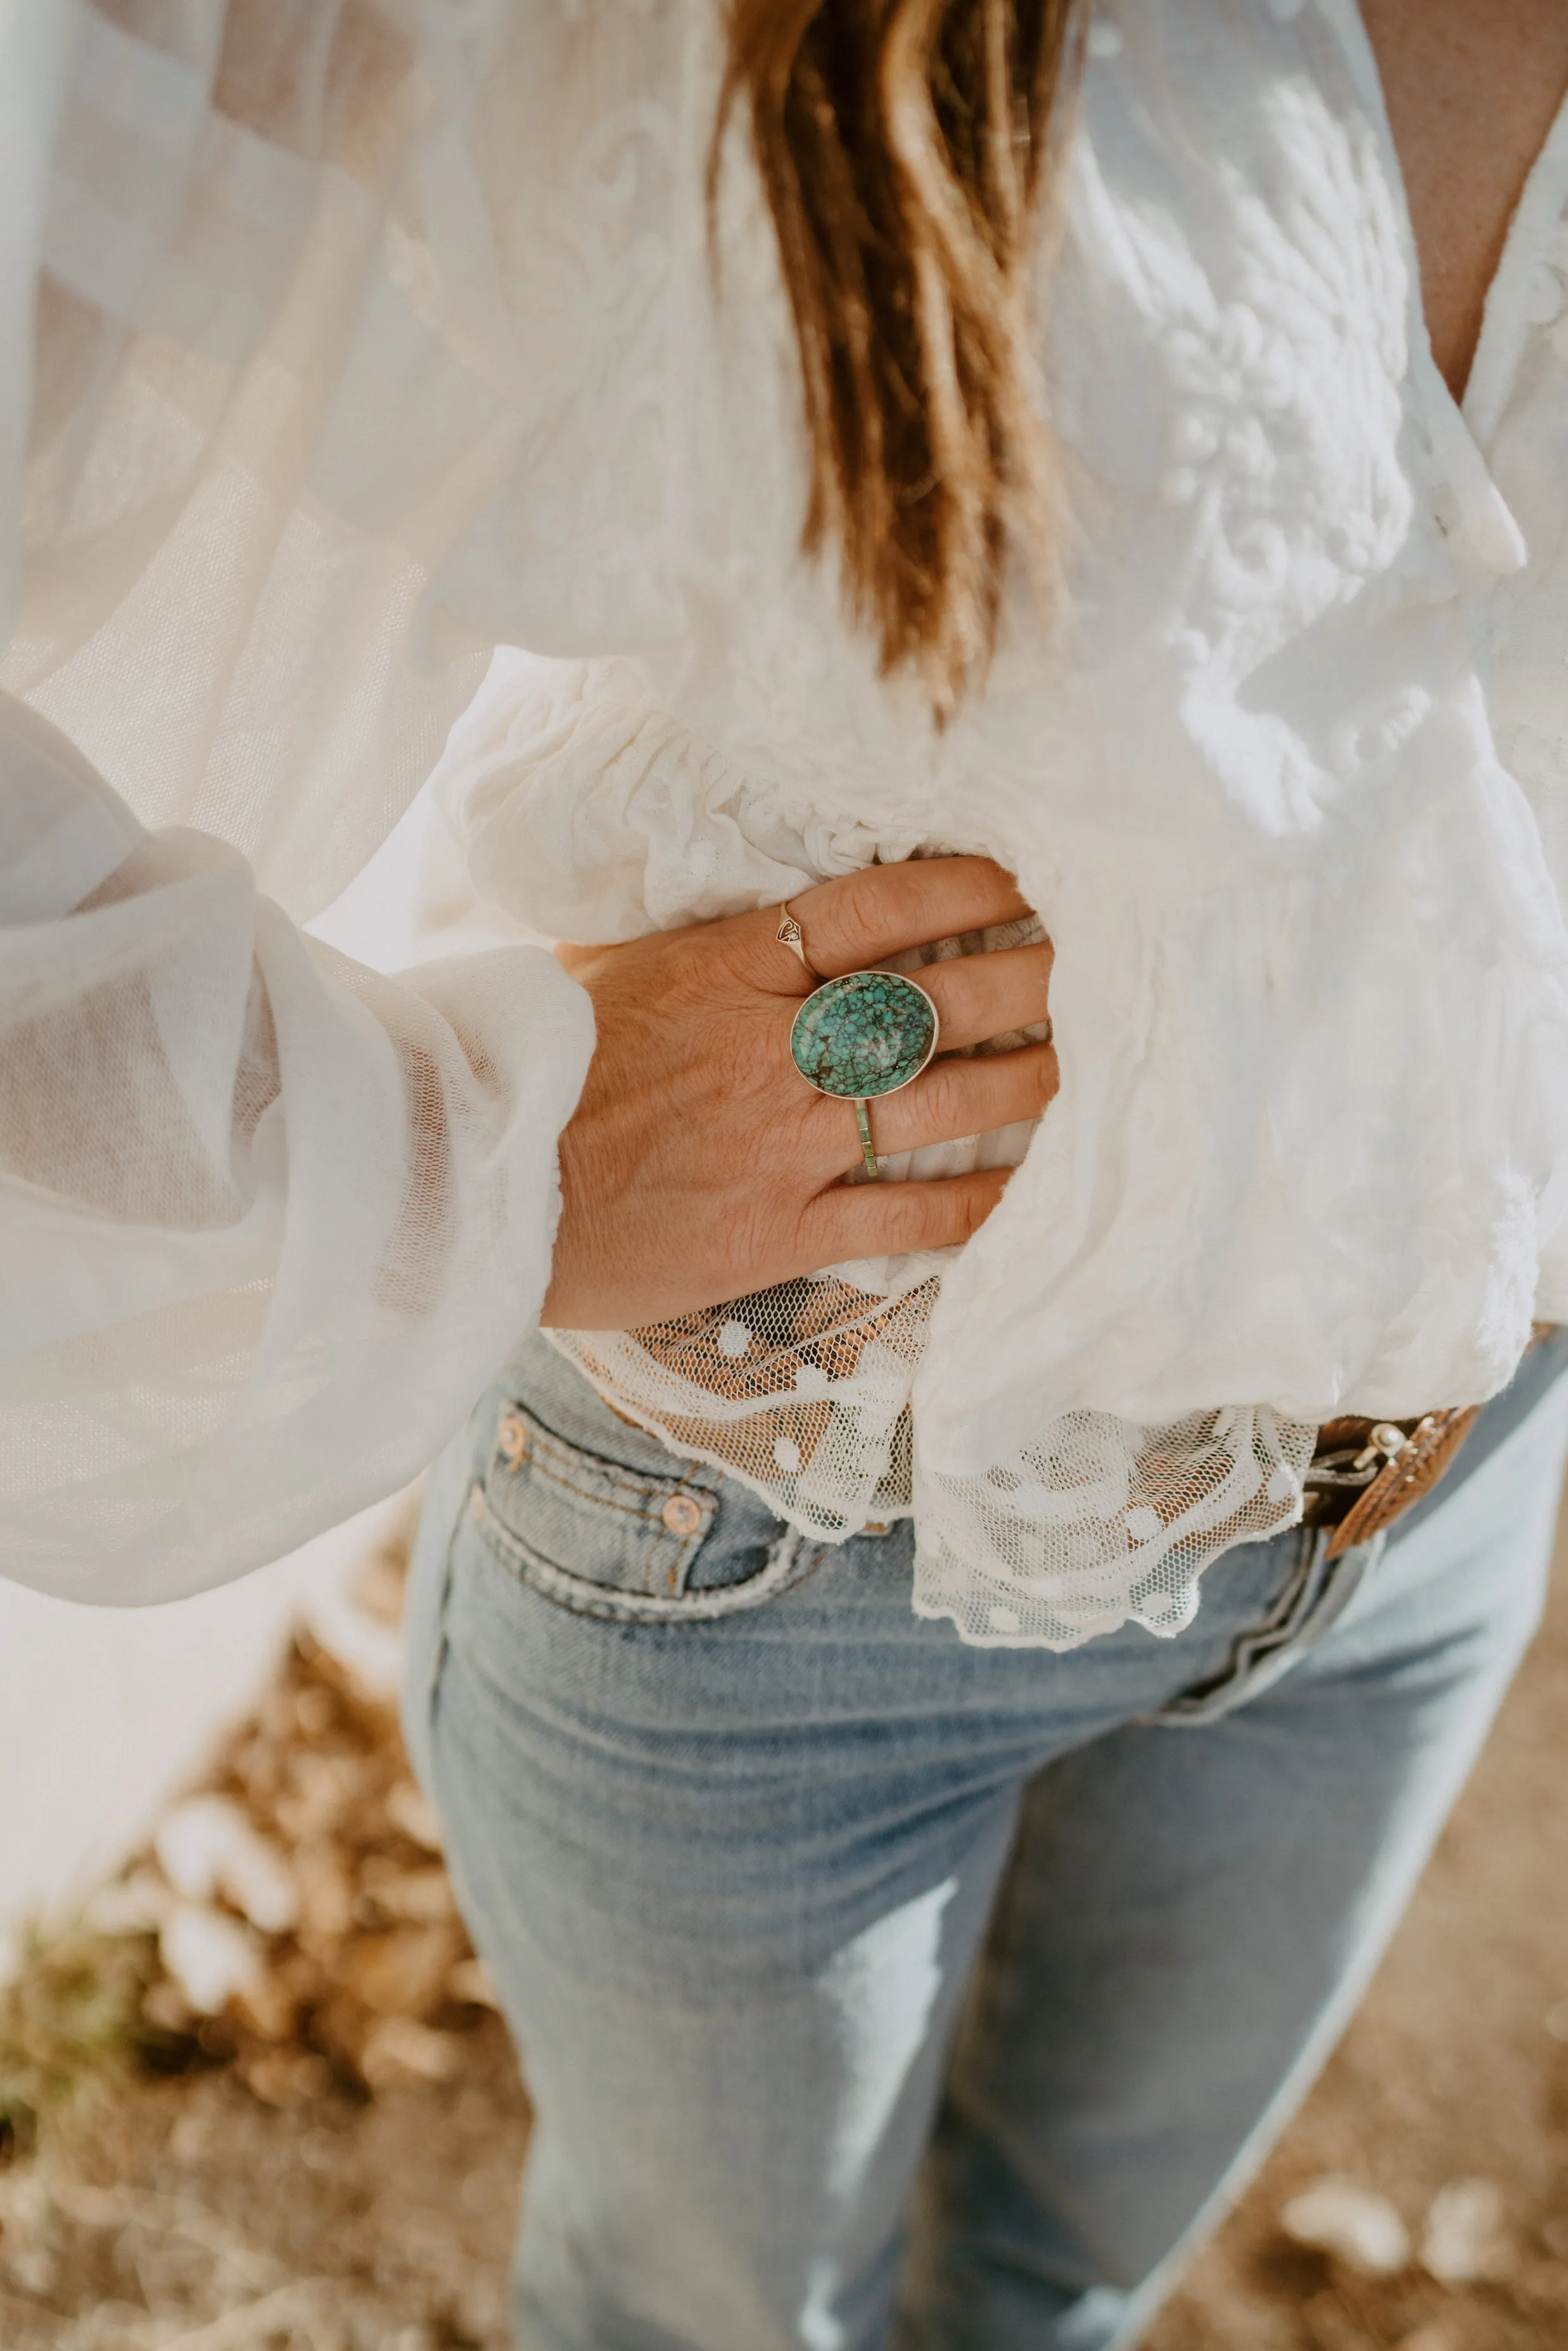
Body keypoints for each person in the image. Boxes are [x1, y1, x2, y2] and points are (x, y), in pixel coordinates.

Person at [6, 0, 1568, 2343]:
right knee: (717, 2322)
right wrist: (460, 1147)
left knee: (1057, 2283)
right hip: (775, 1578)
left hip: (1451, 1477)